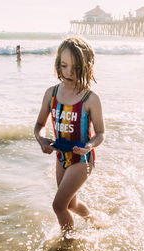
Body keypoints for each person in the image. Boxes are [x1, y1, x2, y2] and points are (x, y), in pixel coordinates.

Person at [34, 36, 105, 233]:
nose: (69, 72)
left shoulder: (90, 99)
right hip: (61, 157)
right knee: (71, 205)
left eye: (76, 68)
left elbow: (100, 133)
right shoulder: (51, 94)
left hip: (82, 159)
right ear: (58, 64)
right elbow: (39, 125)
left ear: (86, 67)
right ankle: (93, 218)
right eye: (64, 66)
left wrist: (89, 145)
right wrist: (41, 139)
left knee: (58, 206)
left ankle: (68, 244)